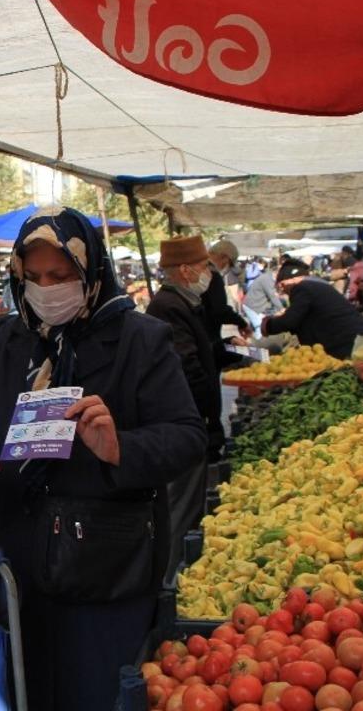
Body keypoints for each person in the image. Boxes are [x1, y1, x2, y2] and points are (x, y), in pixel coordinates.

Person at [0, 207, 207, 711]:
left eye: (61, 275)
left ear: (91, 270)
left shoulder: (139, 339)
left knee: (98, 693)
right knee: (26, 689)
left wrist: (120, 447)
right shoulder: (3, 340)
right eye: (35, 277)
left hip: (107, 567)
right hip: (18, 559)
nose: (46, 289)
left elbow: (187, 436)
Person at [145, 235, 223, 580]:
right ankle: (169, 581)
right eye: (205, 266)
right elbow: (187, 368)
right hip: (183, 425)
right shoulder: (168, 307)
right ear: (186, 270)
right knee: (181, 506)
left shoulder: (183, 302)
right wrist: (204, 417)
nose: (209, 273)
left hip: (190, 421)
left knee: (186, 504)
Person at [263, 259, 363, 358]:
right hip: (359, 340)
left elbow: (290, 320)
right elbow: (305, 317)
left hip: (349, 344)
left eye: (282, 285)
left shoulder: (302, 287)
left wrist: (268, 325)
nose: (283, 290)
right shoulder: (318, 285)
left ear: (292, 279)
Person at [242, 260, 284, 332]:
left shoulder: (270, 277)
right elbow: (272, 296)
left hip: (256, 306)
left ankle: (249, 336)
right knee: (259, 330)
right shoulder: (267, 279)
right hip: (252, 306)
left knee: (254, 329)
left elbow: (275, 295)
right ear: (277, 273)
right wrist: (282, 309)